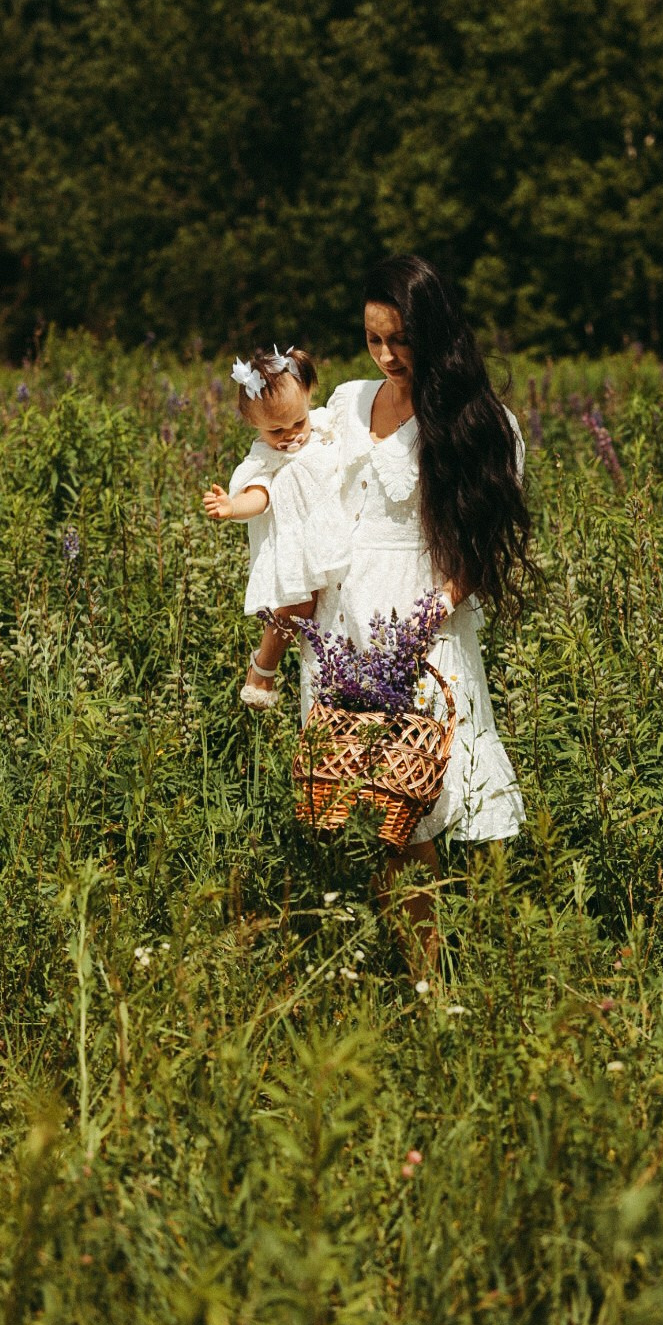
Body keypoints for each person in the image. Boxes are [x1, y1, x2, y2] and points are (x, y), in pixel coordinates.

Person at [311, 254, 534, 966]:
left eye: (399, 339)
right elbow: (286, 468)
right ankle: (415, 972)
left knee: (429, 789)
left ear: (432, 330)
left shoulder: (475, 419)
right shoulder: (346, 401)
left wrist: (433, 611)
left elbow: (481, 546)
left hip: (419, 619)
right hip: (347, 621)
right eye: (373, 339)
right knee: (379, 805)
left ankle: (471, 965)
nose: (385, 355)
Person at [203, 345, 348, 709]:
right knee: (297, 605)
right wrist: (232, 507)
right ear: (255, 426)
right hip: (296, 544)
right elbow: (259, 496)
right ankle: (263, 668)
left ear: (309, 400)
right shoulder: (266, 457)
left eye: (297, 424)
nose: (290, 436)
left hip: (334, 533)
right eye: (276, 430)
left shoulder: (326, 427)